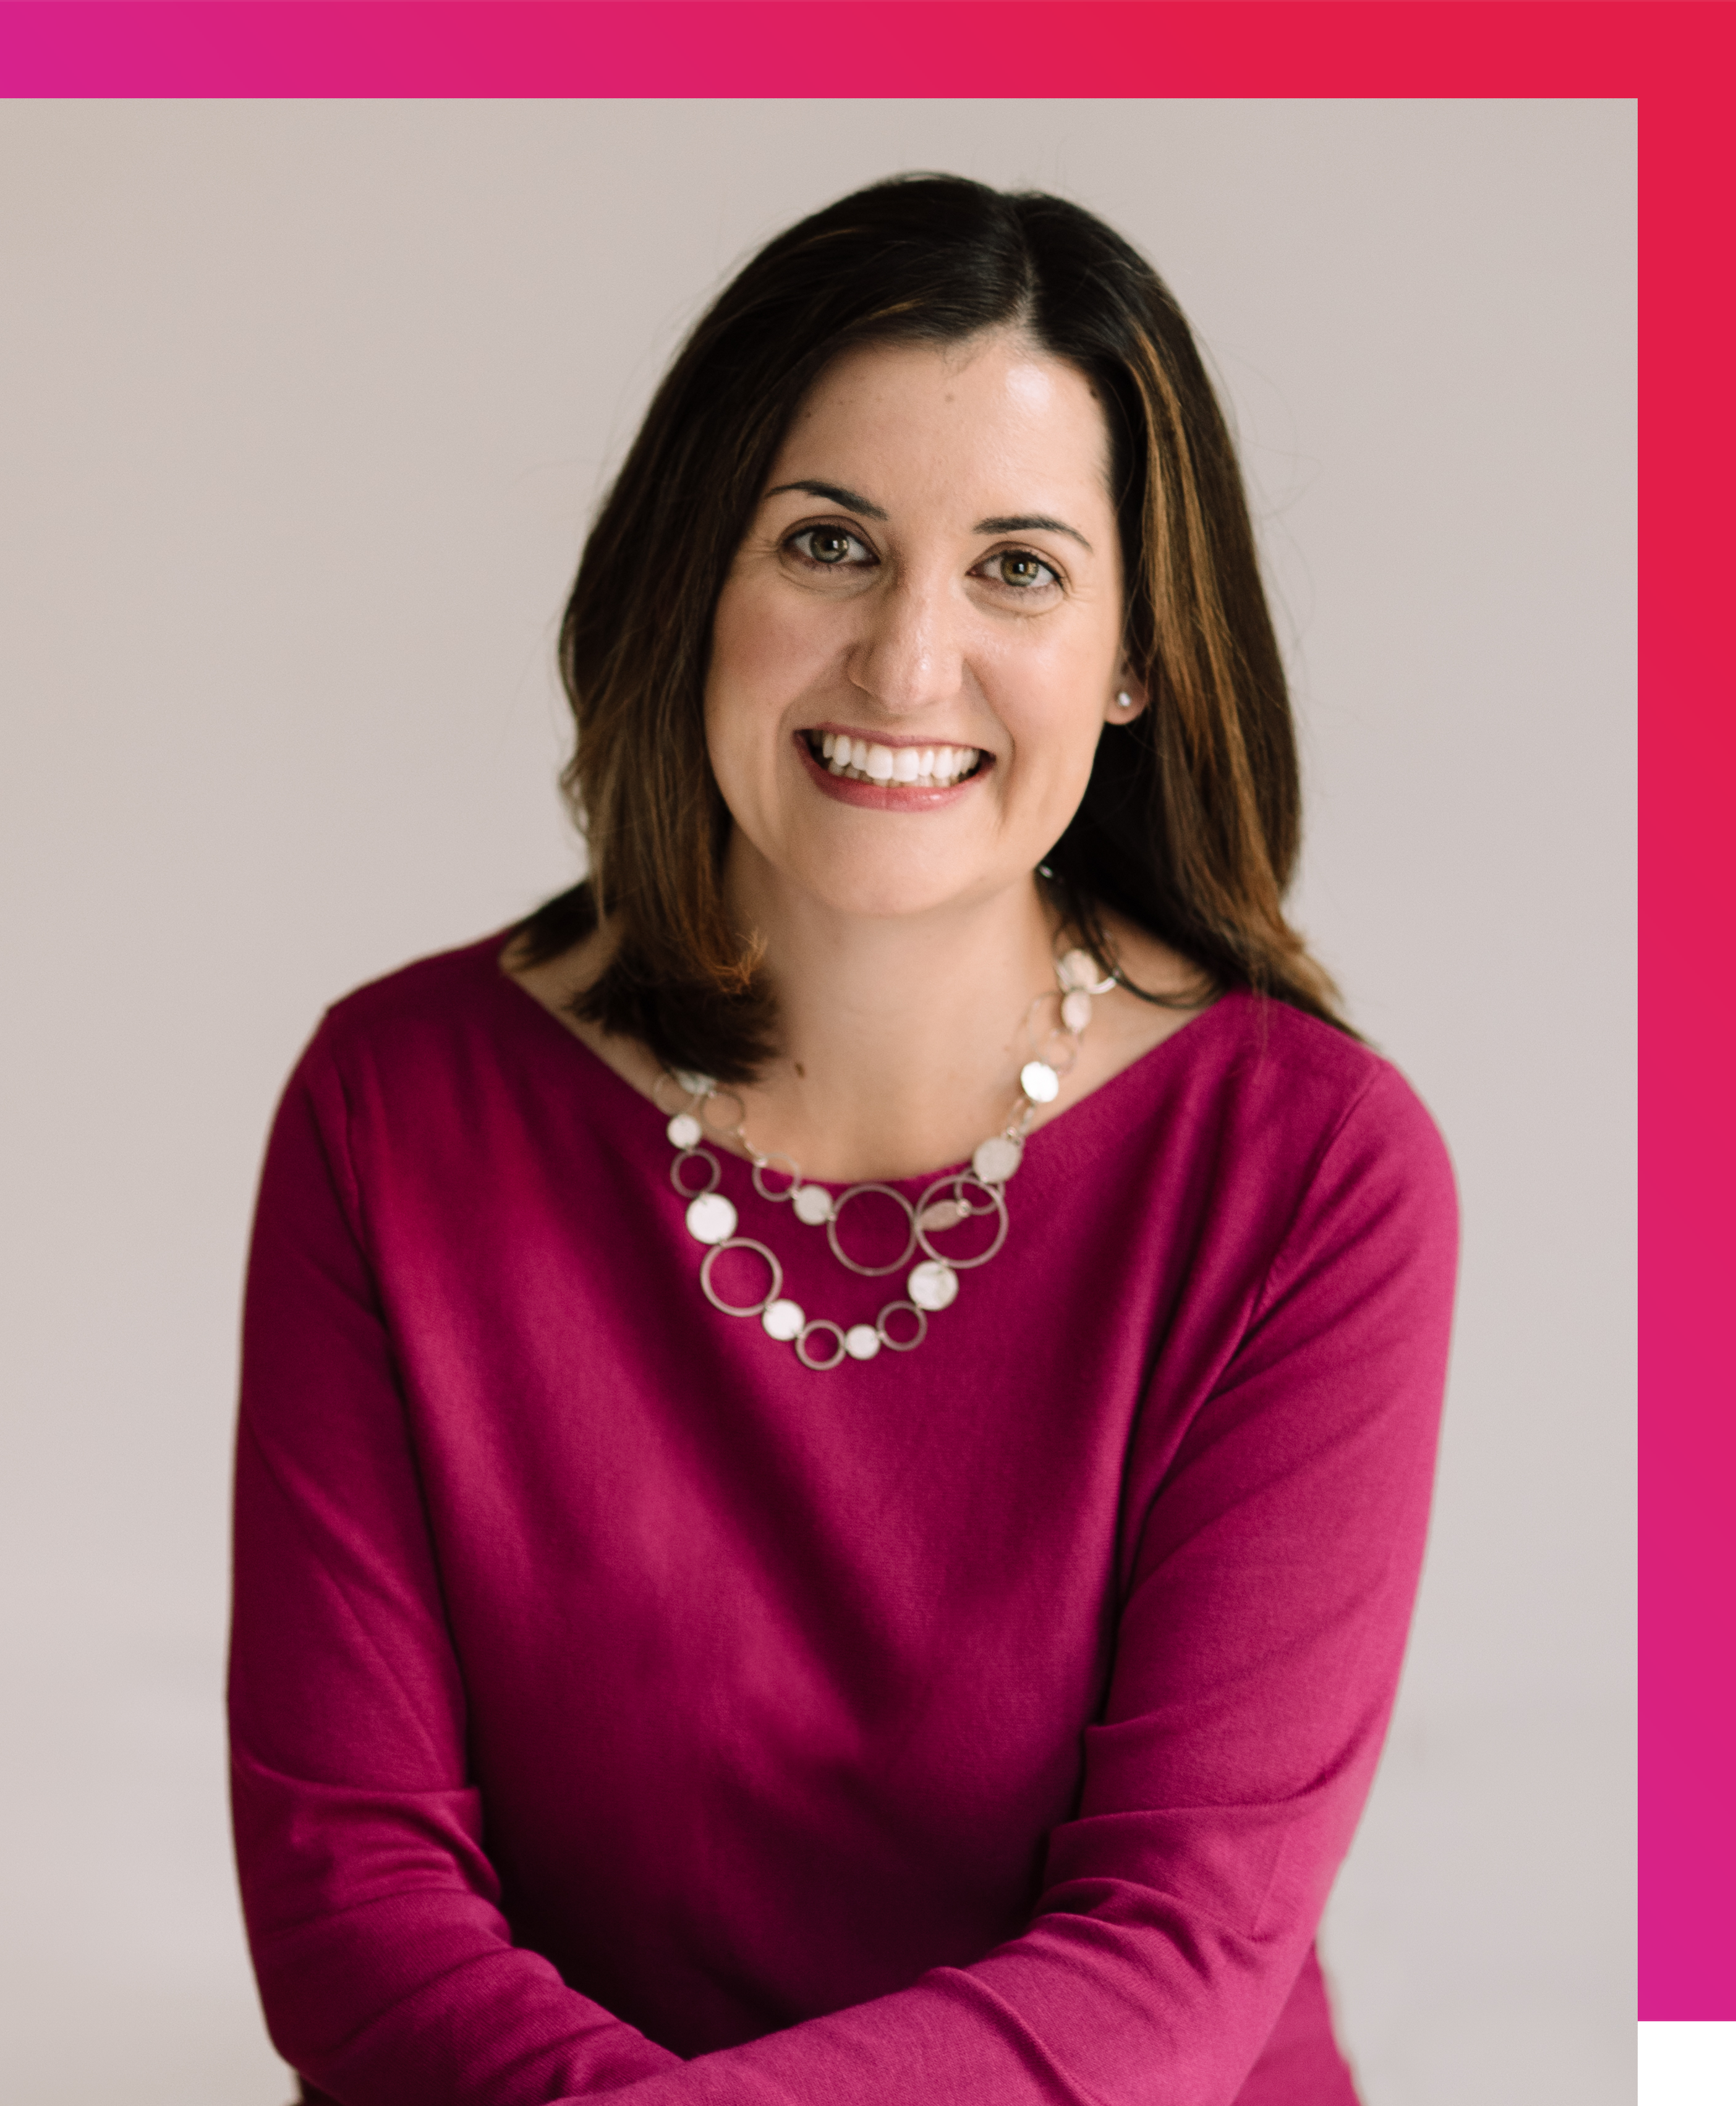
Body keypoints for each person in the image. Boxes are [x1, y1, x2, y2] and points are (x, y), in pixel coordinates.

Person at [228, 174, 1458, 2106]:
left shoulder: (1304, 1172)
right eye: (828, 544)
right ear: (694, 575)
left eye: (1020, 569)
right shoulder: (395, 1110)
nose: (905, 663)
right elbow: (350, 1891)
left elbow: (1177, 1957)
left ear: (1135, 655)